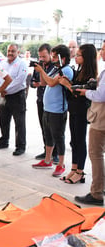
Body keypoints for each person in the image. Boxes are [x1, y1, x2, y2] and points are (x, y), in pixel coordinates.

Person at [32, 45, 74, 177]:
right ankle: (47, 160)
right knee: (48, 135)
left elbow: (51, 83)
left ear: (63, 58)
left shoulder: (66, 70)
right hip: (47, 108)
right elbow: (44, 83)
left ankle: (61, 164)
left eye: (55, 56)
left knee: (58, 137)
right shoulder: (56, 69)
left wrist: (42, 71)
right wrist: (42, 70)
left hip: (58, 110)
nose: (53, 59)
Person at [58, 44, 97, 184]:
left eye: (79, 55)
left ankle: (80, 171)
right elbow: (73, 90)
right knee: (74, 140)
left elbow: (79, 93)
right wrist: (68, 83)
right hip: (73, 109)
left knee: (80, 141)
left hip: (81, 110)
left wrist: (67, 85)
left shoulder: (91, 75)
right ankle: (74, 169)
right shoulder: (79, 70)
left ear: (86, 57)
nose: (76, 56)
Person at [74, 41, 105, 206]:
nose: (102, 51)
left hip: (100, 119)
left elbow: (100, 96)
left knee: (96, 154)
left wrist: (86, 91)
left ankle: (97, 193)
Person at [0, 44, 28, 156]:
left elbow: (19, 80)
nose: (10, 53)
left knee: (19, 122)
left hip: (17, 95)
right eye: (9, 51)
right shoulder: (2, 63)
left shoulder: (22, 64)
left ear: (18, 52)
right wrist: (1, 90)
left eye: (13, 51)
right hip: (4, 95)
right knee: (3, 120)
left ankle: (20, 146)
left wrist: (5, 89)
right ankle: (4, 141)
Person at [31, 44, 59, 164]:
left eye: (44, 56)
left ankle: (56, 153)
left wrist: (42, 74)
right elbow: (32, 81)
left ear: (50, 54)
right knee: (44, 128)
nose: (42, 59)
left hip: (53, 104)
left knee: (55, 129)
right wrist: (34, 83)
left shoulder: (55, 67)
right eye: (40, 56)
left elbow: (51, 83)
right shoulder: (38, 66)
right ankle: (46, 150)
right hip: (41, 100)